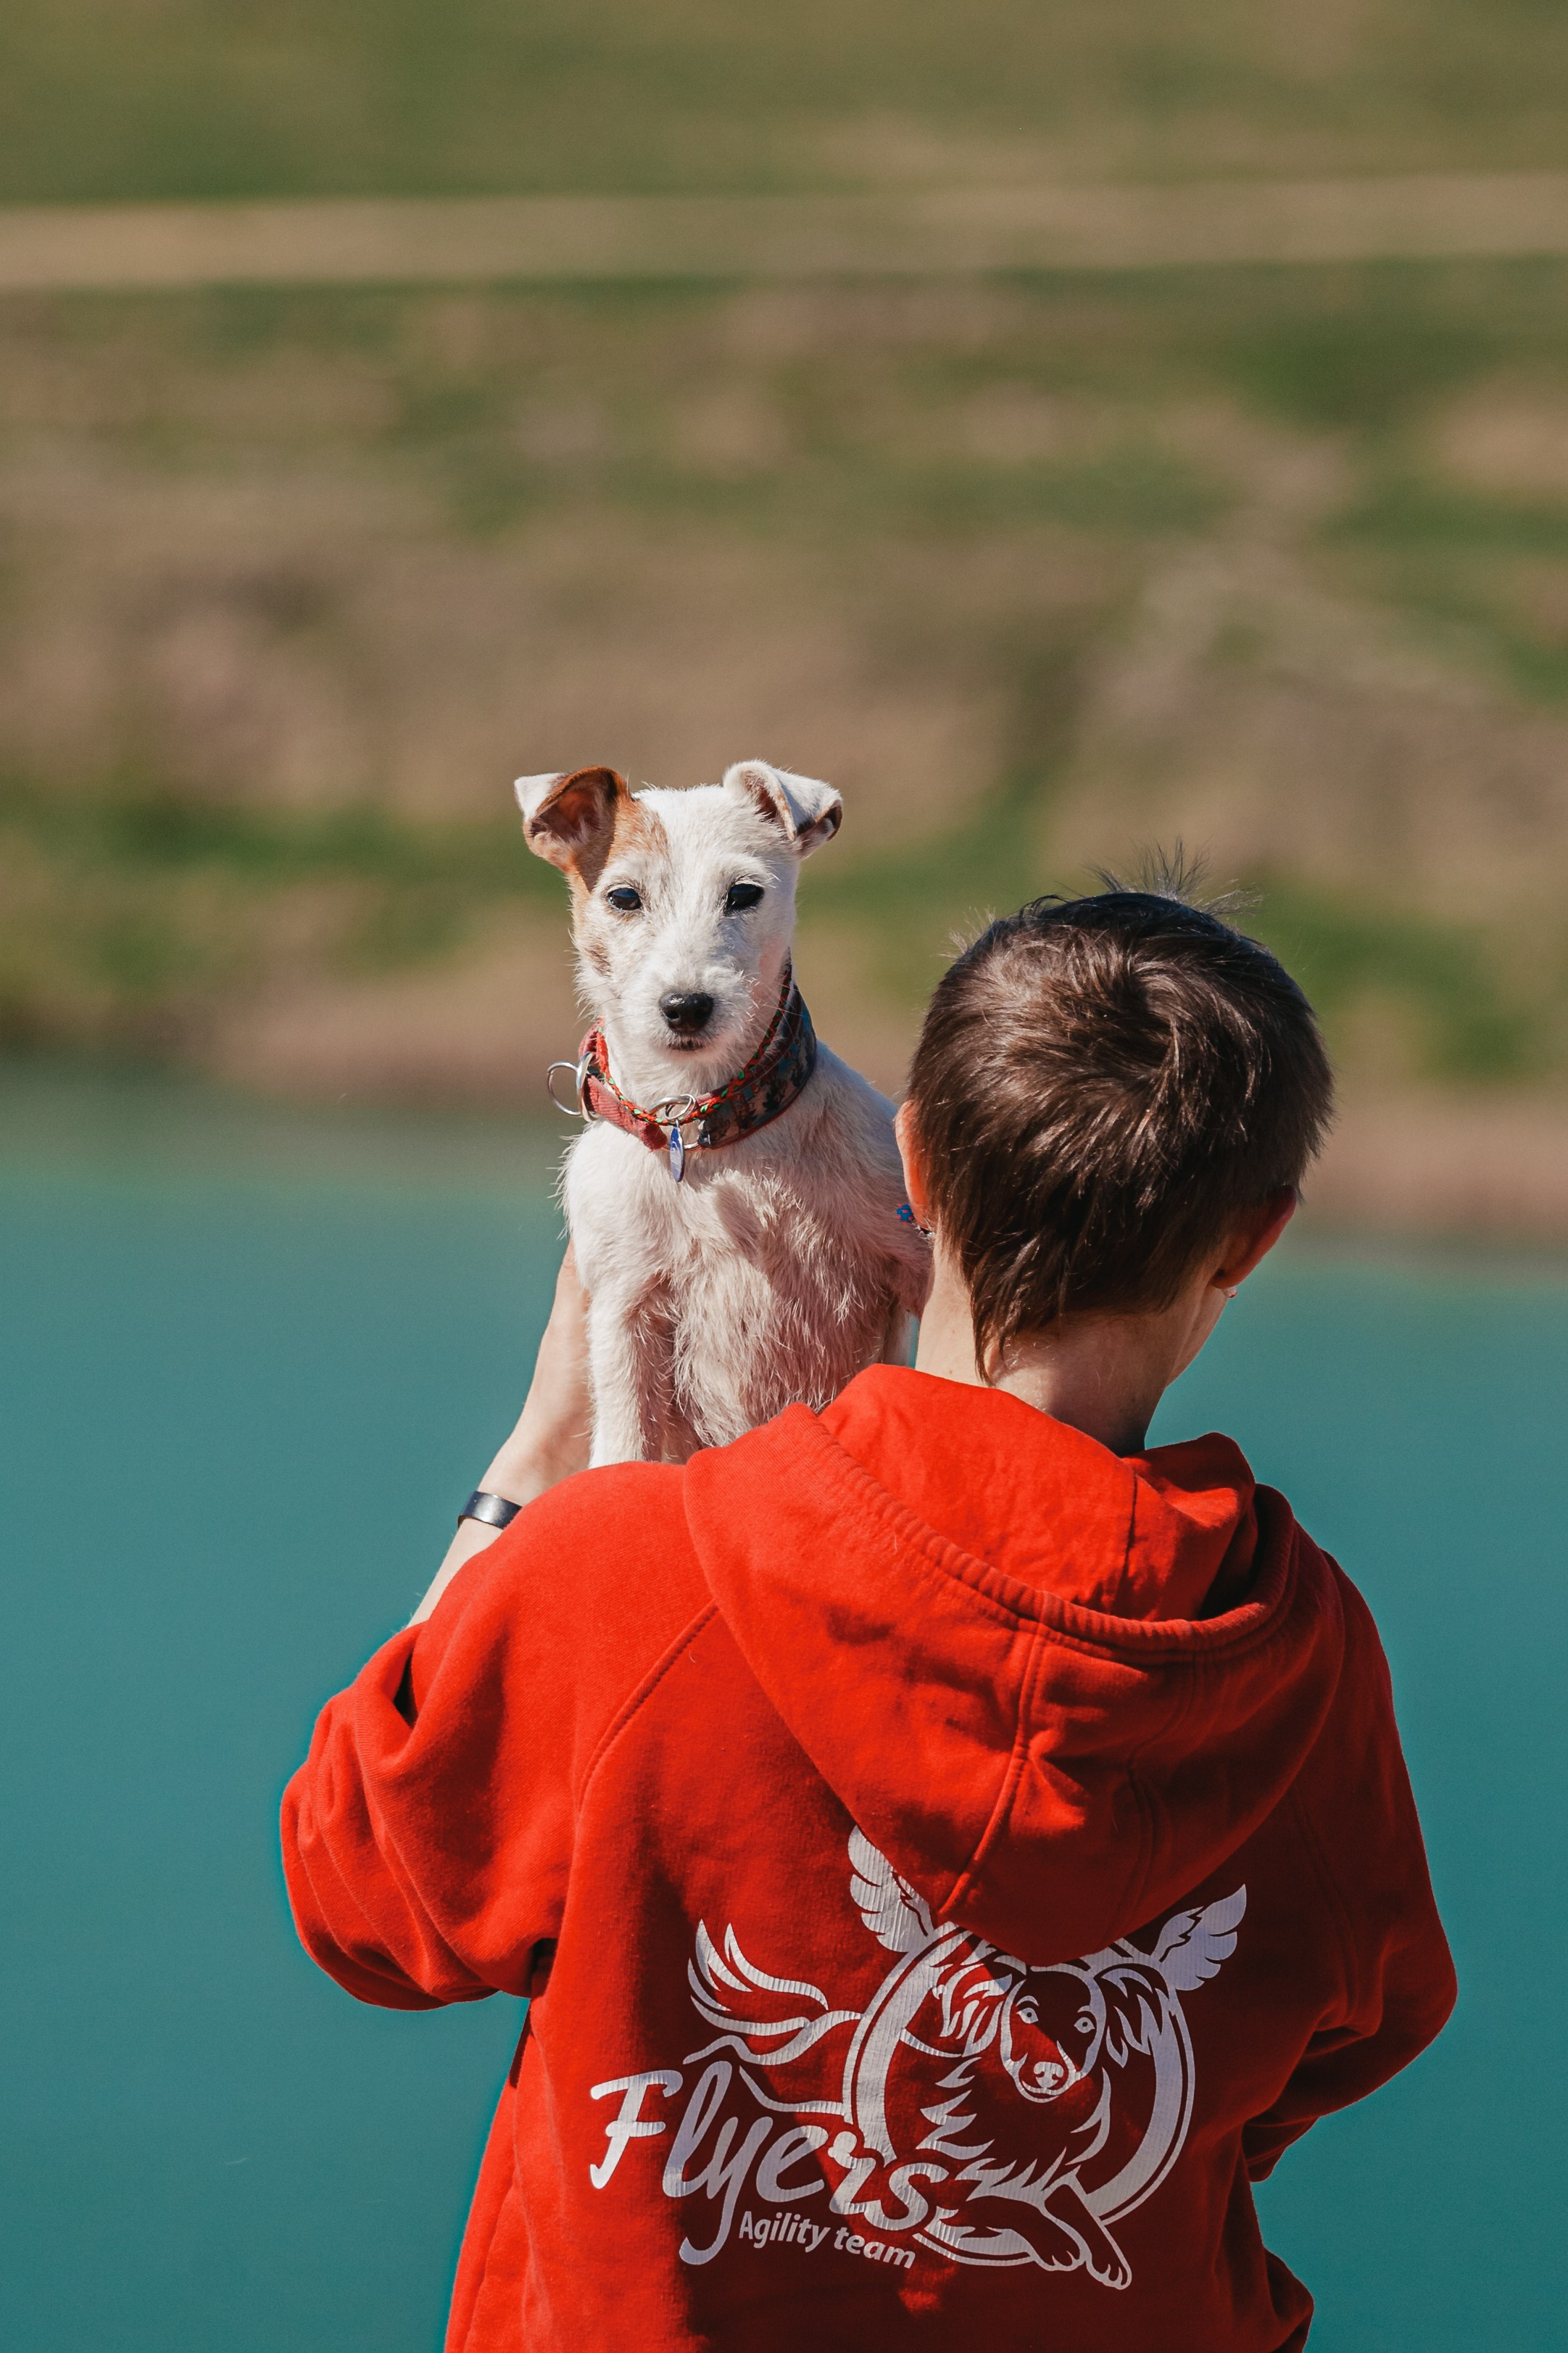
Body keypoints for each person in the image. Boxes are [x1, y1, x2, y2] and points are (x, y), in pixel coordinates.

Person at [281, 887, 1455, 2353]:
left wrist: (532, 1461)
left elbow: (361, 1899)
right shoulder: (1293, 1654)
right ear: (1250, 1240)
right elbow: (1358, 2020)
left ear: (912, 1160)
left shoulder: (632, 1575)